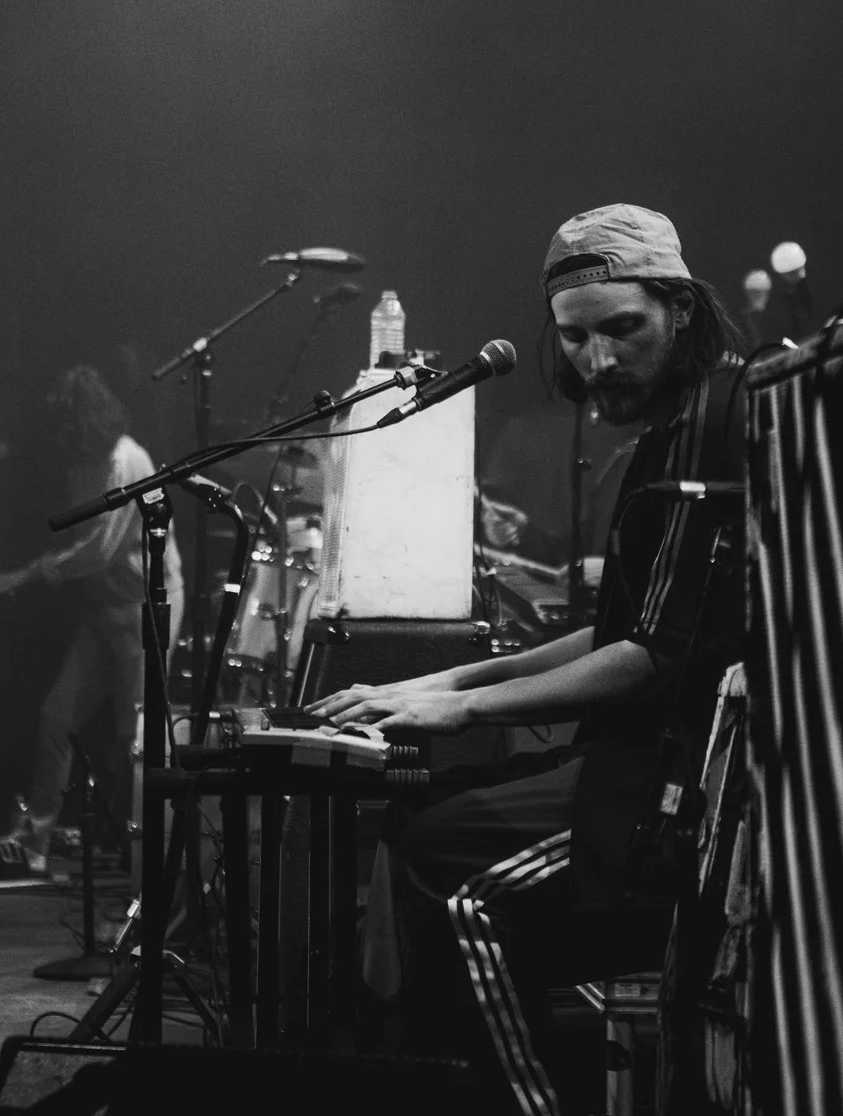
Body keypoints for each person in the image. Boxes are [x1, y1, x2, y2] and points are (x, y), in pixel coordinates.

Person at [315, 204, 746, 1115]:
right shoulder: (671, 429)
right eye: (576, 338)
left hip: (690, 789)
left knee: (452, 876)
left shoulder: (717, 425)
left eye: (621, 329)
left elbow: (654, 658)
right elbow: (620, 628)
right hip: (640, 759)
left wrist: (464, 708)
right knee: (418, 819)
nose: (597, 359)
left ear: (680, 310)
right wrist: (442, 681)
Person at [0, 366, 183, 872]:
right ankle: (36, 842)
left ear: (85, 420)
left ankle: (143, 856)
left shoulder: (127, 460)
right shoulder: (82, 465)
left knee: (133, 737)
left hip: (144, 612)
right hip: (102, 614)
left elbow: (101, 551)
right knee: (56, 719)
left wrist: (33, 572)